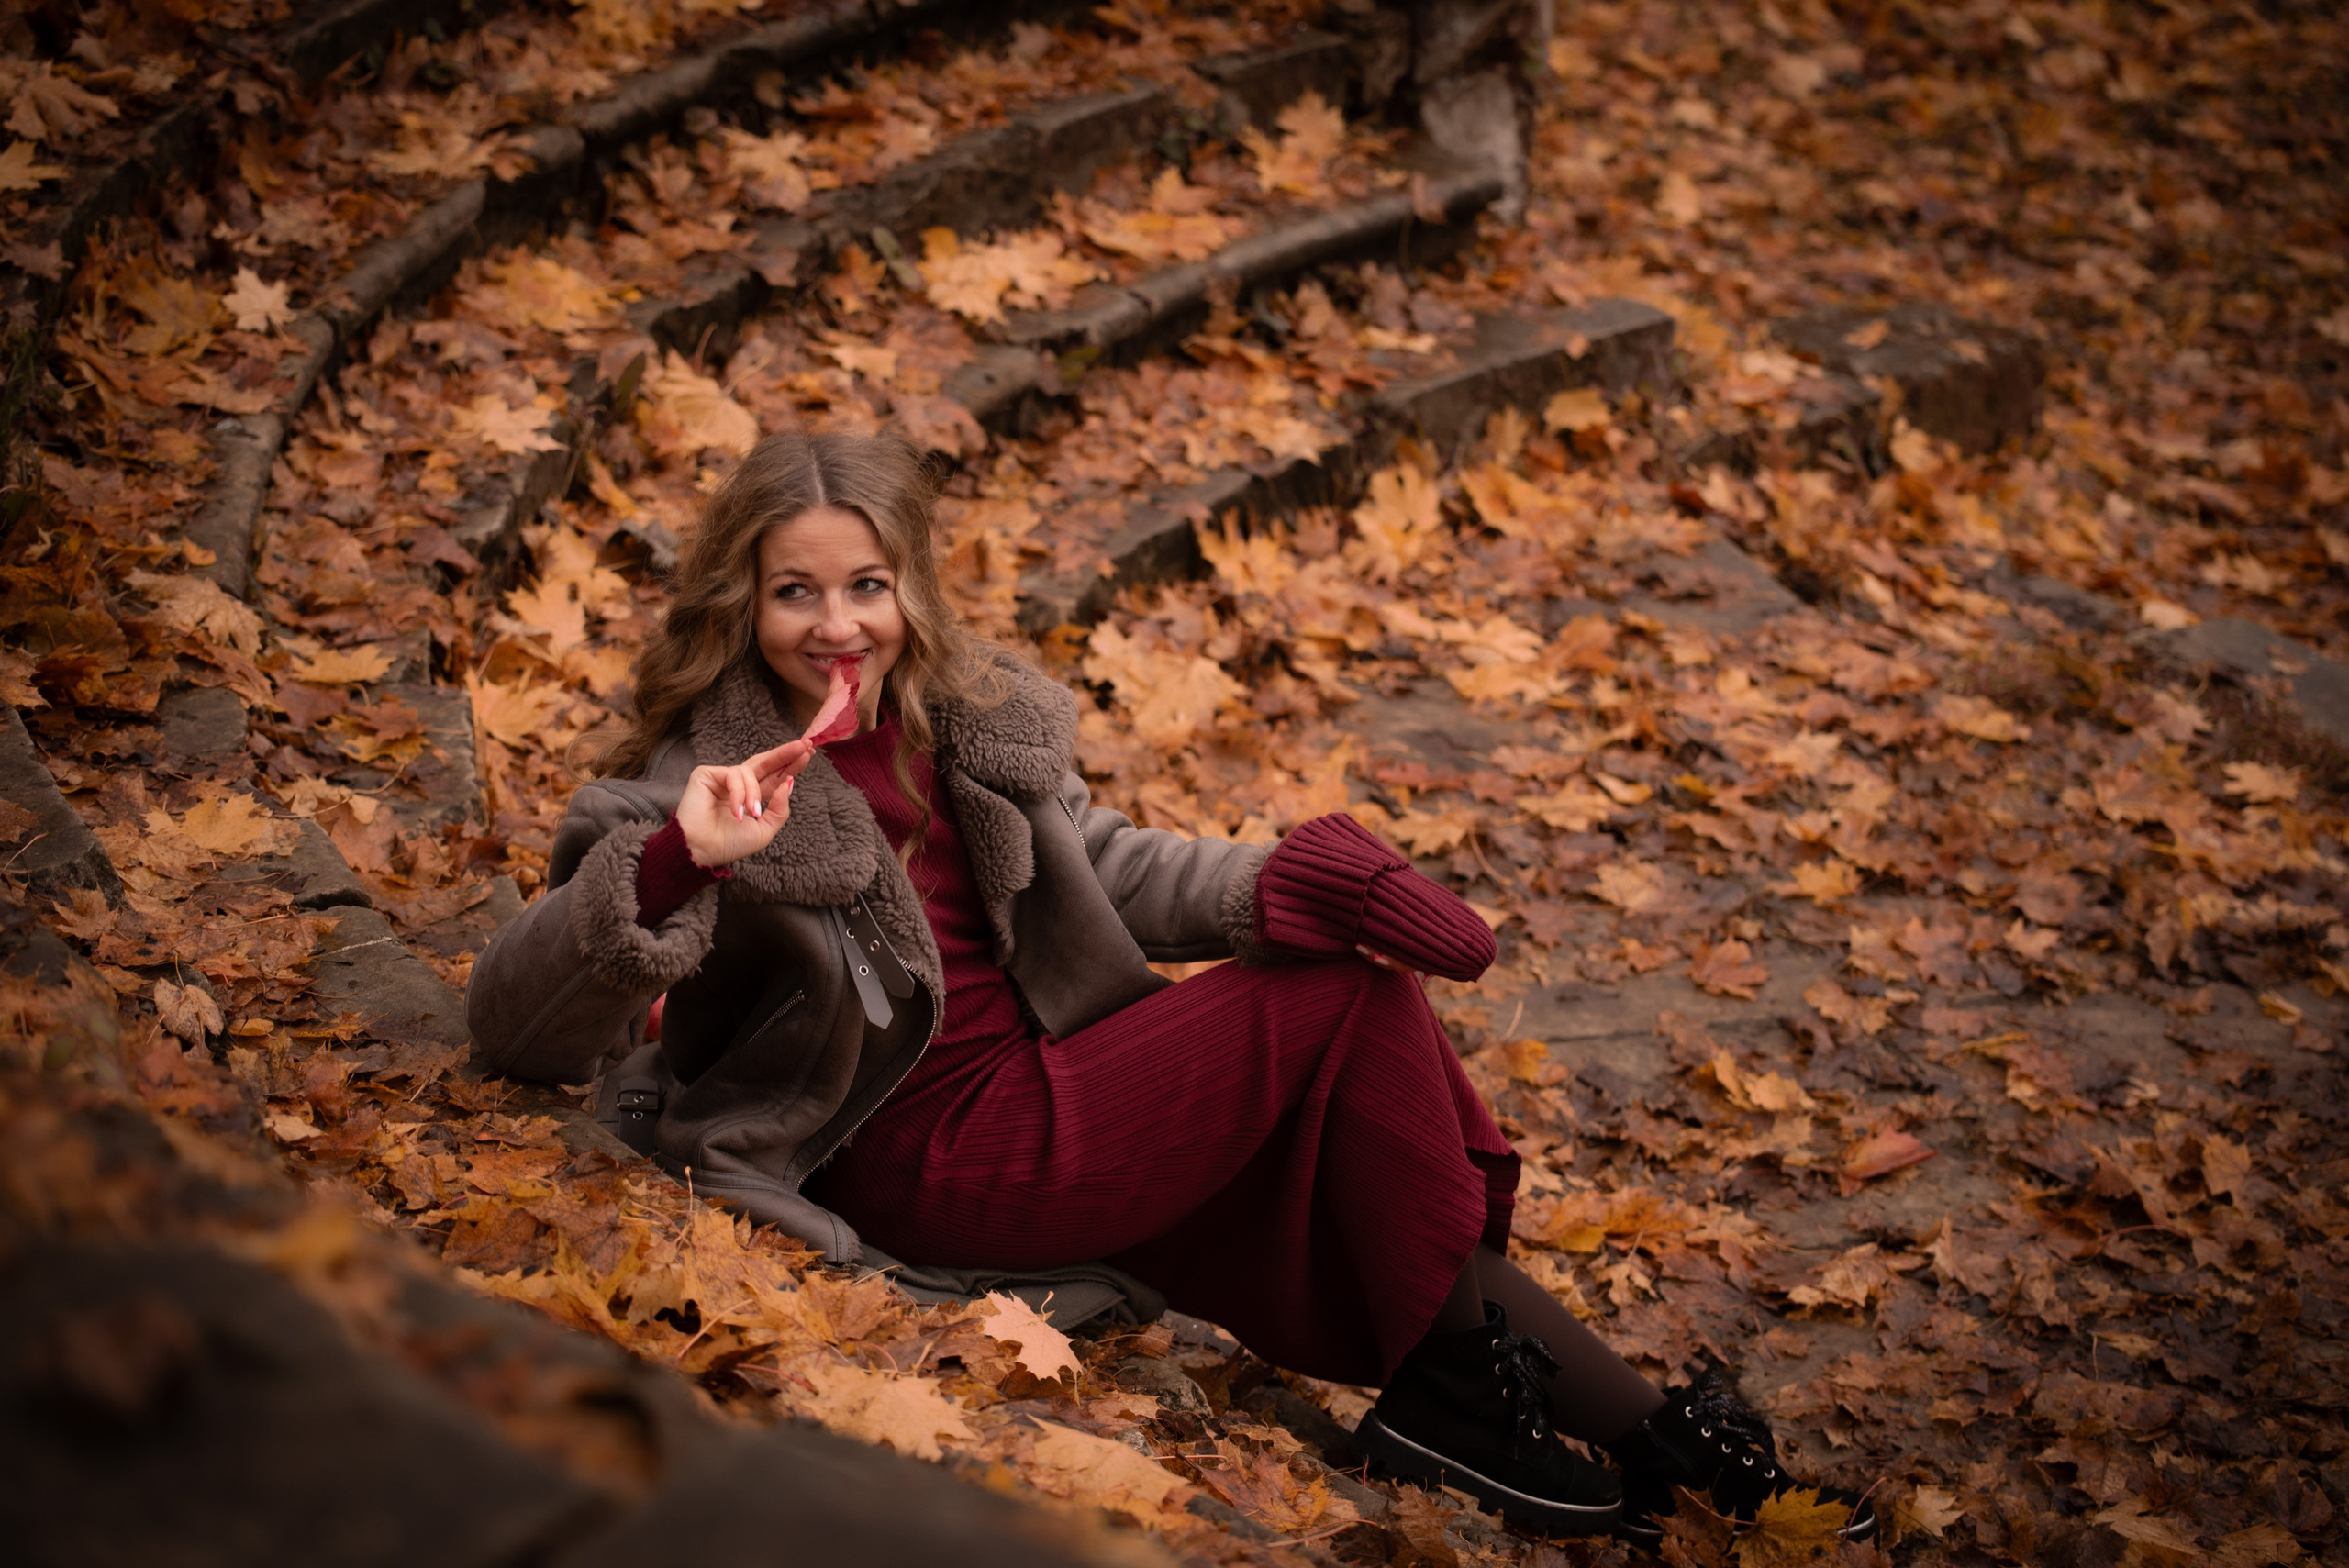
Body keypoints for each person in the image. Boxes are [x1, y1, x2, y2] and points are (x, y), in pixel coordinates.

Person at [466, 430, 1877, 1545]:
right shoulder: (699, 787)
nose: (838, 625)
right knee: (1342, 1006)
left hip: (1058, 1091)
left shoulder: (965, 724)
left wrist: (1292, 882)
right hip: (914, 1153)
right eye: (796, 591)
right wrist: (680, 865)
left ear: (911, 589)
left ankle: (1670, 1451)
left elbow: (1111, 867)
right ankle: (1459, 1404)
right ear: (742, 600)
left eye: (867, 585)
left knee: (1355, 1145)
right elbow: (514, 1025)